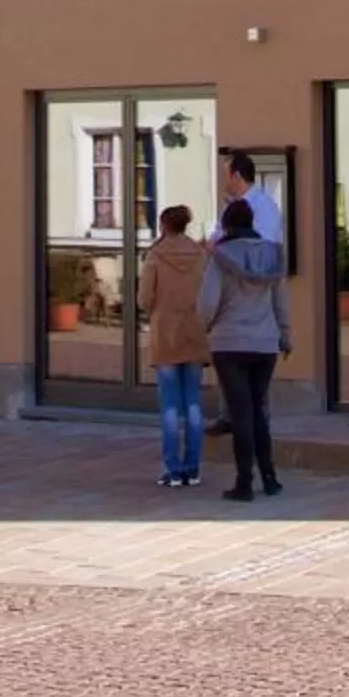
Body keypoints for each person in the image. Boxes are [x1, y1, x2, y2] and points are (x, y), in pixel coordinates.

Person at [197, 197, 290, 502]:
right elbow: (280, 300)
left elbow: (208, 302)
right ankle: (270, 477)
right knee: (259, 409)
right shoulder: (272, 255)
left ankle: (244, 482)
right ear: (251, 222)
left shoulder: (220, 257)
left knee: (240, 413)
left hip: (229, 342)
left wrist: (207, 324)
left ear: (227, 224)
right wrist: (284, 333)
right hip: (264, 342)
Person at [205, 151, 283, 436]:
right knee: (233, 370)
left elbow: (261, 249)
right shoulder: (232, 206)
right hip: (232, 295)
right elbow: (219, 237)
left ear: (237, 175)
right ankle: (230, 417)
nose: (224, 181)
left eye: (226, 174)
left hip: (252, 293)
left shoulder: (263, 207)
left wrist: (222, 251)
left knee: (254, 384)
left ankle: (256, 434)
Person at [136, 203, 210, 488]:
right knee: (192, 401)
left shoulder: (155, 255)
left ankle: (172, 468)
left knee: (169, 404)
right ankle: (193, 468)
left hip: (165, 332)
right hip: (193, 330)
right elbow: (208, 291)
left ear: (163, 225)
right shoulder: (199, 254)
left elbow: (144, 298)